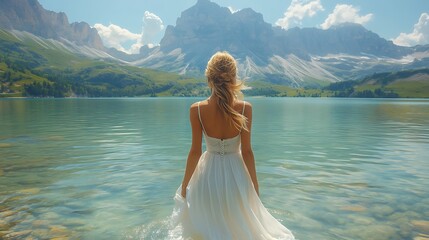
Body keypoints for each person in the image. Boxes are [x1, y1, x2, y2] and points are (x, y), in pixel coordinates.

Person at [171, 51, 295, 240]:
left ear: (209, 78)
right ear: (234, 77)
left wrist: (185, 185)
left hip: (207, 176)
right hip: (236, 175)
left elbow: (195, 152)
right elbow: (247, 152)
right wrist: (255, 185)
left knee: (209, 227)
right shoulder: (245, 108)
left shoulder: (196, 109)